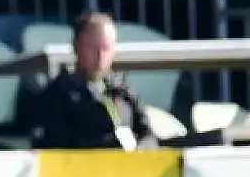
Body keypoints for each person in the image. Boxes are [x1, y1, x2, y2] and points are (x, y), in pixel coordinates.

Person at [30, 13, 156, 149]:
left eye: (106, 48)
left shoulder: (123, 90)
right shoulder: (57, 95)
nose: (100, 57)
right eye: (92, 48)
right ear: (76, 46)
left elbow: (147, 134)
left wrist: (140, 152)